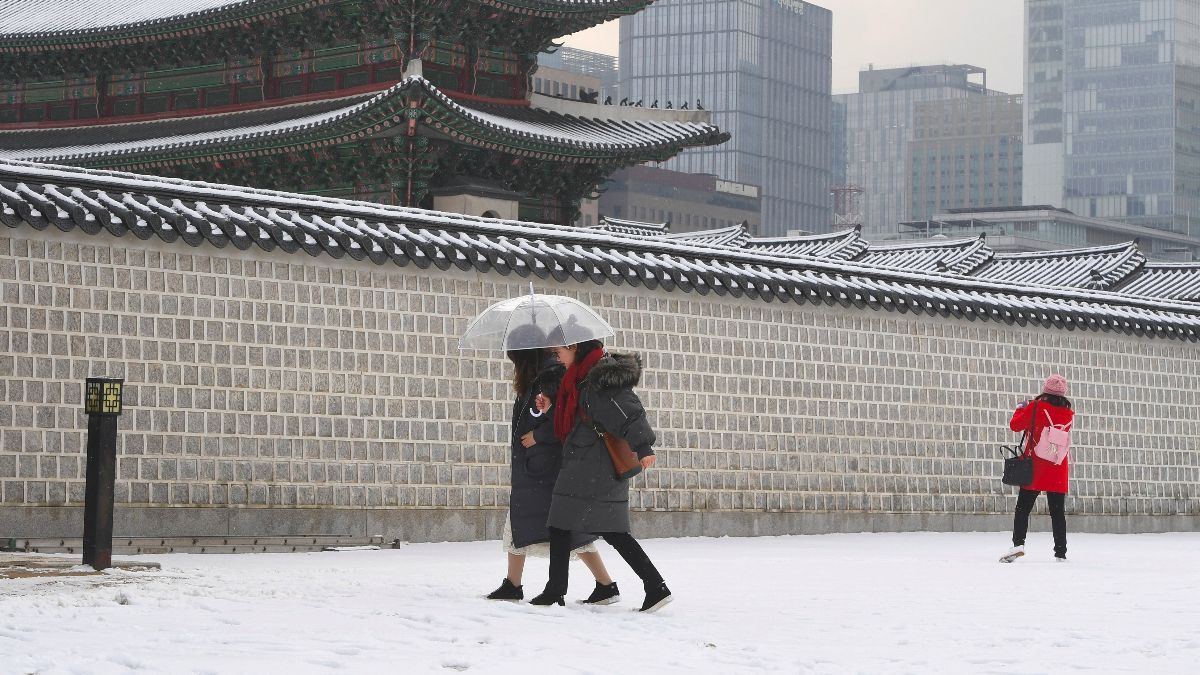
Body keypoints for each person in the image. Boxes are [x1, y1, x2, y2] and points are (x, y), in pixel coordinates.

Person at [527, 339, 672, 612]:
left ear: (574, 347)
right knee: (565, 524)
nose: (556, 355)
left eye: (560, 349)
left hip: (596, 466)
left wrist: (644, 447)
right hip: (583, 462)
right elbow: (579, 414)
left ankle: (653, 586)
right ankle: (651, 586)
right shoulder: (578, 378)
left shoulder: (600, 379)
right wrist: (552, 405)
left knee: (604, 529)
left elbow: (628, 411)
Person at [485, 332, 619, 604]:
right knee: (520, 520)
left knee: (568, 528)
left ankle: (605, 584)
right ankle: (513, 583)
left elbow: (564, 416)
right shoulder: (536, 375)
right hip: (533, 467)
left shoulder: (551, 375)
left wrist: (539, 436)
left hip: (546, 467)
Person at [1000, 374, 1075, 563]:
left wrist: (1020, 409)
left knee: (1023, 508)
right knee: (1057, 512)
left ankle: (1018, 545)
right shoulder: (1068, 412)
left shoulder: (1036, 407)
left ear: (1045, 390)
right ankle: (1061, 553)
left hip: (1036, 464)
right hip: (1058, 466)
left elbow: (1015, 426)